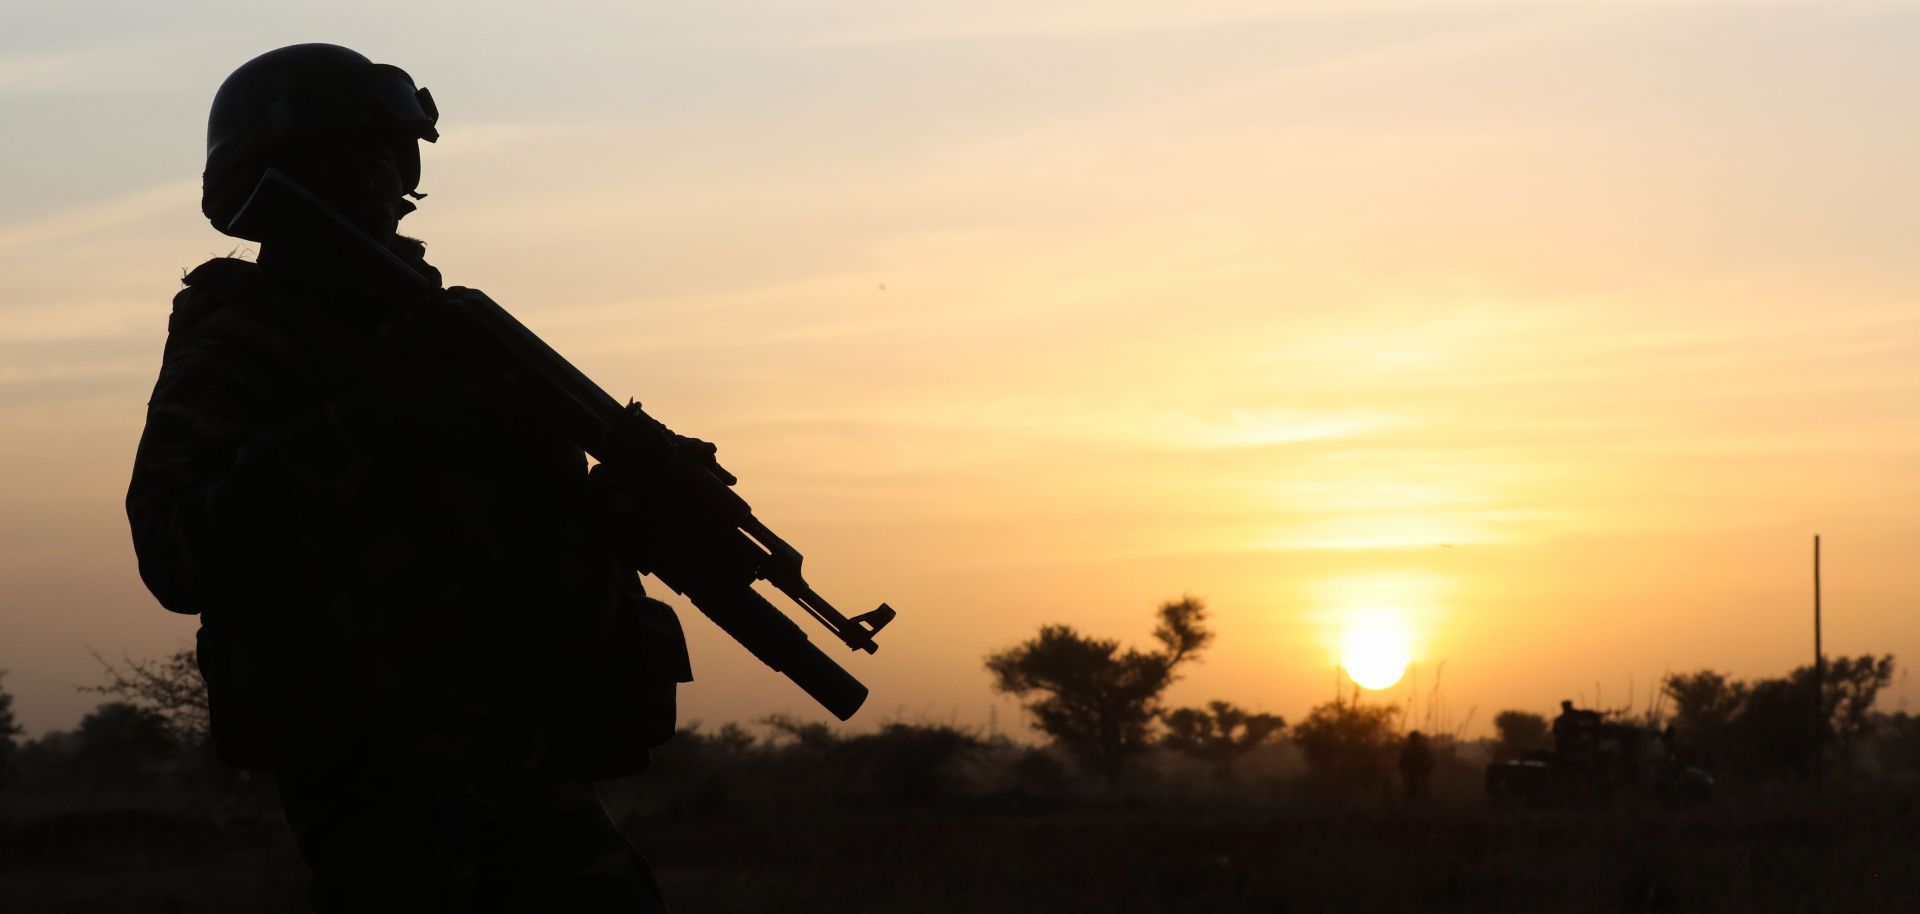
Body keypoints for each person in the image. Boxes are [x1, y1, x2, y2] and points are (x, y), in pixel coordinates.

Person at [127, 44, 688, 912]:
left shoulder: (449, 335)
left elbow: (515, 521)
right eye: (361, 150)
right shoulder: (244, 344)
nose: (389, 174)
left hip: (519, 743)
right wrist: (368, 412)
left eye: (396, 150)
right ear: (285, 171)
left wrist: (620, 507)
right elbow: (179, 552)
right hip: (377, 762)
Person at [1398, 730, 1434, 802]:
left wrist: (1427, 770)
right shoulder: (1410, 749)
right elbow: (1401, 765)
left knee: (1417, 792)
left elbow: (1432, 762)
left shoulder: (1420, 749)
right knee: (1415, 792)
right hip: (1414, 775)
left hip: (1417, 774)